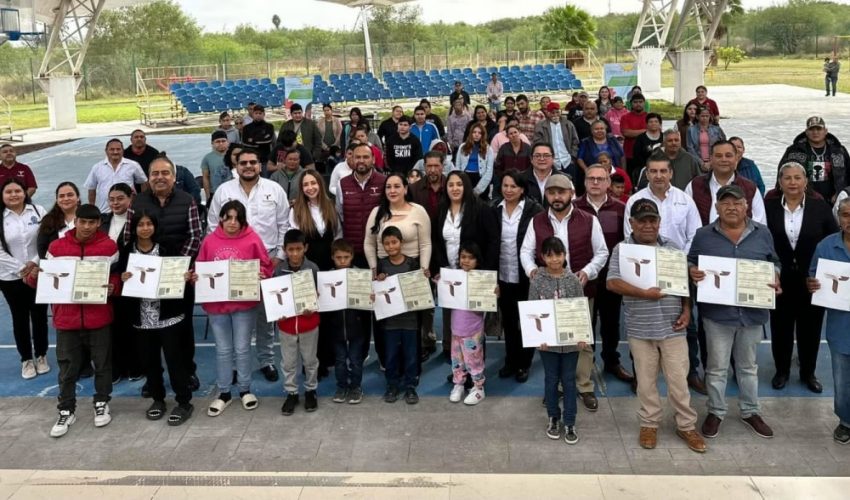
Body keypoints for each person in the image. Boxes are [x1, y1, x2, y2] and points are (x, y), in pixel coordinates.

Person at [607, 199, 706, 453]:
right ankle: (649, 423)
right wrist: (644, 293)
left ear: (659, 222)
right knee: (646, 382)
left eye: (653, 220)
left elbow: (683, 284)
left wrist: (686, 310)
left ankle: (686, 425)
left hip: (673, 326)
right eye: (642, 221)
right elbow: (612, 283)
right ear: (632, 223)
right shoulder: (623, 249)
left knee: (679, 381)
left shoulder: (672, 248)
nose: (648, 225)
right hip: (641, 328)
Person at [688, 184, 781, 440]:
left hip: (752, 314)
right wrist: (691, 270)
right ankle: (716, 411)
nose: (731, 207)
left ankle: (751, 411)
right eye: (725, 203)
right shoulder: (703, 235)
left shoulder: (763, 233)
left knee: (748, 366)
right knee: (716, 367)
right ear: (717, 207)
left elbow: (774, 261)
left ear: (746, 206)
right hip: (718, 314)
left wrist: (775, 276)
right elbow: (691, 260)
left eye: (737, 203)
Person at [28, 204, 120, 438]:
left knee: (103, 364)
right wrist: (33, 277)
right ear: (75, 221)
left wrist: (114, 287)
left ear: (99, 223)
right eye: (83, 222)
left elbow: (117, 278)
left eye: (92, 222)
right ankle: (66, 409)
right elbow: (44, 282)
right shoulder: (56, 247)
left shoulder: (109, 247)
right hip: (66, 320)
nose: (87, 227)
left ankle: (101, 402)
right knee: (67, 369)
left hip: (98, 318)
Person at [520, 175, 609, 411]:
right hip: (546, 294)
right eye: (551, 192)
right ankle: (555, 386)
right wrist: (532, 272)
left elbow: (601, 252)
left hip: (579, 290)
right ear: (546, 195)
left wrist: (587, 272)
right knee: (549, 340)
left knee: (581, 339)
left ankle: (584, 386)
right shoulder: (537, 221)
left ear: (571, 193)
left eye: (561, 192)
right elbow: (526, 252)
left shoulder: (589, 220)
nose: (556, 197)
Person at [208, 148, 290, 382]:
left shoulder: (274, 190)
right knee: (235, 316)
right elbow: (213, 226)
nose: (248, 166)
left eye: (253, 162)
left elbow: (285, 224)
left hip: (268, 261)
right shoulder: (224, 191)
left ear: (260, 164)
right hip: (232, 265)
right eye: (243, 162)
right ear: (236, 165)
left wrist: (279, 256)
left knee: (266, 317)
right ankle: (233, 366)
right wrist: (222, 258)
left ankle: (266, 360)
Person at [125, 155, 203, 392]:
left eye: (165, 173)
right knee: (148, 331)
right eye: (155, 174)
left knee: (182, 330)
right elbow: (129, 237)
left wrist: (175, 268)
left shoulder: (187, 199)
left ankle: (187, 371)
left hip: (178, 278)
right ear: (148, 178)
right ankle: (153, 377)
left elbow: (195, 236)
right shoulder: (137, 203)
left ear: (174, 176)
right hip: (145, 280)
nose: (160, 178)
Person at [766, 162, 837, 393]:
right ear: (780, 182)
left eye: (798, 178)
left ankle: (808, 373)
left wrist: (823, 275)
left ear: (806, 181)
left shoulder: (821, 207)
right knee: (781, 327)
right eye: (787, 178)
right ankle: (782, 371)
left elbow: (832, 242)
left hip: (812, 281)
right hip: (779, 280)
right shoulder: (769, 207)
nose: (793, 182)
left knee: (811, 328)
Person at [121, 210, 195, 425]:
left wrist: (184, 276)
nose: (145, 228)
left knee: (175, 361)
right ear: (133, 228)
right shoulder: (126, 252)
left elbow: (182, 272)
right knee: (150, 362)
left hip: (168, 317)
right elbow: (117, 278)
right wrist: (122, 277)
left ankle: (183, 402)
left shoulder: (167, 248)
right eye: (140, 224)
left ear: (154, 226)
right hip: (142, 318)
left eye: (149, 224)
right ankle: (158, 399)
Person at [573, 165, 633, 385]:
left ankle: (611, 360)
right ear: (585, 182)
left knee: (610, 321)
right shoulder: (573, 208)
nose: (595, 183)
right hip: (582, 277)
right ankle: (583, 366)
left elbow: (627, 241)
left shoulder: (621, 208)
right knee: (584, 322)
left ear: (609, 182)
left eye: (600, 179)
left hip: (610, 277)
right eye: (591, 178)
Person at [433, 171, 499, 359]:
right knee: (452, 322)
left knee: (474, 324)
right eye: (451, 184)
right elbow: (437, 241)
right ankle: (458, 367)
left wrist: (488, 273)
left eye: (459, 184)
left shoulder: (481, 209)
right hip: (451, 276)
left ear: (466, 187)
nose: (455, 188)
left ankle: (475, 371)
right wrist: (440, 268)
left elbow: (493, 241)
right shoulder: (441, 210)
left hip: (475, 276)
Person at [530, 236, 586, 445]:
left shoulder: (573, 281)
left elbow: (581, 308)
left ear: (565, 256)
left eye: (558, 255)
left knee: (569, 380)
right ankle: (553, 417)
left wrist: (582, 335)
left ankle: (570, 420)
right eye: (550, 255)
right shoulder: (537, 281)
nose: (554, 260)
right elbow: (532, 311)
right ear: (543, 257)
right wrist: (538, 338)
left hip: (571, 343)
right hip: (548, 344)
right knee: (551, 379)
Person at [290, 170, 342, 377]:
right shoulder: (295, 211)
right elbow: (293, 240)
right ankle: (312, 362)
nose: (310, 187)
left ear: (320, 184)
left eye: (313, 183)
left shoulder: (331, 207)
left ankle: (328, 357)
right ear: (301, 189)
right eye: (305, 185)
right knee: (310, 316)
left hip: (329, 267)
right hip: (307, 269)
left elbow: (338, 235)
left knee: (329, 315)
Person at [807, 197, 850, 444]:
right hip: (841, 326)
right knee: (842, 380)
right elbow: (814, 275)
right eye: (845, 215)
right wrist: (812, 284)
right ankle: (846, 422)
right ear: (839, 218)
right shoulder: (826, 246)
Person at [495, 170, 543, 382]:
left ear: (522, 189)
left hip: (526, 275)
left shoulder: (534, 210)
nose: (508, 190)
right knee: (509, 320)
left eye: (513, 186)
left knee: (527, 321)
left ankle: (524, 363)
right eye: (505, 185)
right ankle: (510, 360)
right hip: (504, 274)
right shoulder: (494, 208)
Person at [0, 178, 47, 380]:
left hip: (38, 273)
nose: (13, 195)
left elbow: (46, 240)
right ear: (2, 196)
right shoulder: (1, 217)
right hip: (10, 277)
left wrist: (34, 264)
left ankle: (42, 355)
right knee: (19, 318)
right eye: (8, 192)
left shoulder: (38, 211)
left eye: (17, 190)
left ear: (24, 192)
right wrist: (22, 269)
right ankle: (26, 359)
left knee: (39, 316)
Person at [375, 226, 422, 405]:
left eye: (394, 242)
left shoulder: (412, 263)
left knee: (411, 355)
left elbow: (419, 287)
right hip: (390, 322)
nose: (391, 246)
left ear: (401, 242)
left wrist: (423, 277)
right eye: (386, 243)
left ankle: (410, 386)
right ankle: (392, 385)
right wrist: (378, 281)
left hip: (410, 320)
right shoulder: (382, 264)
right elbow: (377, 288)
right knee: (391, 355)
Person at [277, 229, 321, 416]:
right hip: (286, 326)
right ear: (284, 250)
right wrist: (278, 312)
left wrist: (314, 305)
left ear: (305, 248)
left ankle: (311, 390)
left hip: (308, 324)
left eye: (298, 249)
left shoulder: (313, 269)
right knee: (288, 362)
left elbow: (320, 295)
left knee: (310, 360)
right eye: (290, 249)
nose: (294, 253)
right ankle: (291, 392)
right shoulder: (278, 270)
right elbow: (274, 297)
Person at [448, 241, 494, 405]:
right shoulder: (454, 277)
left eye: (470, 258)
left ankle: (478, 388)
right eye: (463, 257)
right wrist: (441, 283)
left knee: (474, 361)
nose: (465, 261)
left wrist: (494, 292)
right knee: (457, 360)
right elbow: (446, 293)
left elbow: (491, 300)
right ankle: (458, 384)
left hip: (473, 330)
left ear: (477, 261)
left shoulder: (482, 279)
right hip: (456, 329)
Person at [102, 183, 138, 383]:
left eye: (120, 198)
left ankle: (134, 366)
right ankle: (115, 367)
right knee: (110, 328)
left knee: (129, 326)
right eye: (112, 199)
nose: (115, 203)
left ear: (130, 198)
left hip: (129, 280)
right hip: (106, 282)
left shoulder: (137, 220)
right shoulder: (103, 221)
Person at [327, 239, 370, 404]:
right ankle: (341, 386)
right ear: (332, 257)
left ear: (352, 256)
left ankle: (356, 387)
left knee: (355, 359)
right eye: (339, 257)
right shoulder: (327, 277)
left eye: (346, 257)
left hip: (356, 327)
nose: (343, 261)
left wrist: (369, 296)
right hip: (336, 327)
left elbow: (368, 303)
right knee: (339, 360)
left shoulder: (360, 275)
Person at [686, 141, 765, 226]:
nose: (724, 159)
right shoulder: (694, 186)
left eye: (728, 156)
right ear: (711, 159)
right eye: (718, 156)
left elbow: (759, 225)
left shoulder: (750, 189)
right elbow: (686, 219)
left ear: (736, 158)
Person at [336, 143, 386, 269]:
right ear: (352, 159)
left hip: (379, 249)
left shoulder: (384, 182)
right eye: (357, 157)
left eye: (366, 157)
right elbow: (340, 215)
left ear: (373, 159)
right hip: (353, 251)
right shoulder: (342, 184)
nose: (361, 161)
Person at [778, 116, 849, 202]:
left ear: (825, 131)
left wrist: (840, 193)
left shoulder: (839, 151)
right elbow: (782, 174)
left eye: (819, 129)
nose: (815, 132)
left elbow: (848, 175)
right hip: (803, 201)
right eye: (811, 129)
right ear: (806, 132)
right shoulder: (794, 150)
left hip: (834, 201)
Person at [84, 138, 147, 213]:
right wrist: (92, 208)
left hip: (128, 211)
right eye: (112, 149)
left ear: (122, 150)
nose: (115, 152)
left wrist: (143, 202)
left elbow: (143, 182)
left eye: (118, 149)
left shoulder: (133, 165)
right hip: (105, 211)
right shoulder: (97, 168)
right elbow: (91, 189)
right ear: (106, 151)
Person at [533, 102, 579, 175]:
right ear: (547, 113)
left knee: (570, 185)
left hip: (568, 161)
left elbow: (575, 141)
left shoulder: (568, 124)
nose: (555, 115)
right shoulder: (540, 126)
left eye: (557, 112)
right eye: (552, 112)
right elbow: (537, 144)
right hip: (551, 164)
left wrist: (572, 156)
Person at [37, 182, 81, 259]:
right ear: (57, 200)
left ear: (78, 197)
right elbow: (42, 248)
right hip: (55, 268)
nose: (66, 198)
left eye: (70, 195)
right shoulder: (48, 221)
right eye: (61, 196)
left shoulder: (88, 218)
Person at [576, 120, 626, 188]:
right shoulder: (585, 142)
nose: (599, 131)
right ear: (591, 131)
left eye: (602, 128)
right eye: (596, 129)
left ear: (605, 129)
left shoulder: (613, 139)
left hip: (614, 174)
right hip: (595, 175)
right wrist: (586, 170)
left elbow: (622, 156)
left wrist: (623, 172)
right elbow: (580, 159)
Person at [456, 123, 495, 199]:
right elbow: (458, 166)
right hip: (465, 177)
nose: (476, 135)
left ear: (483, 135)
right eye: (474, 132)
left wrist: (478, 189)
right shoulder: (462, 147)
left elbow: (489, 171)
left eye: (479, 133)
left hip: (481, 179)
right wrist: (459, 182)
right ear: (471, 133)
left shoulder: (488, 149)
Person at [686, 107, 726, 171]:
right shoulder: (691, 130)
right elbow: (690, 148)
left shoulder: (717, 129)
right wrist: (701, 163)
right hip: (697, 162)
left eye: (707, 116)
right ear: (697, 116)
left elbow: (723, 145)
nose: (705, 118)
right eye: (702, 116)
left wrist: (711, 162)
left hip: (714, 161)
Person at [621, 93, 648, 180]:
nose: (638, 104)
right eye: (635, 102)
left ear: (644, 103)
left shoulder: (649, 117)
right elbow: (626, 133)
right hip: (630, 154)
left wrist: (634, 132)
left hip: (646, 154)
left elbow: (655, 131)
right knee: (630, 179)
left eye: (640, 102)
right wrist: (645, 131)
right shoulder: (625, 117)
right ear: (631, 103)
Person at [241, 105, 276, 170]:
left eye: (260, 113)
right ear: (253, 114)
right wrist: (261, 139)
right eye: (256, 113)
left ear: (264, 114)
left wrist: (253, 140)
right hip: (251, 160)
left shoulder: (269, 126)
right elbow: (245, 143)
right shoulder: (246, 128)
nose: (258, 115)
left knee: (265, 179)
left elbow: (268, 141)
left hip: (265, 160)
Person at [201, 130, 231, 202]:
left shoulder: (234, 156)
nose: (221, 143)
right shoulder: (207, 158)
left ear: (228, 142)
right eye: (217, 141)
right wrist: (208, 196)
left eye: (223, 141)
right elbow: (205, 178)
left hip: (233, 191)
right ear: (212, 143)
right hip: (215, 193)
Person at [631, 113, 664, 179]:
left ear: (660, 124)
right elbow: (637, 156)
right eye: (650, 122)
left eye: (656, 121)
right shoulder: (640, 138)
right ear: (646, 124)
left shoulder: (665, 137)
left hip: (663, 168)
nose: (653, 123)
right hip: (645, 170)